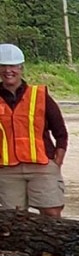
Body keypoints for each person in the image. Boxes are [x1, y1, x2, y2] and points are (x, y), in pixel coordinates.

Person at [0, 43, 68, 216]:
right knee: (12, 221)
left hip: (42, 165)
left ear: (21, 67)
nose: (8, 70)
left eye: (13, 66)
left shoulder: (39, 95)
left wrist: (57, 161)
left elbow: (60, 131)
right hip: (7, 169)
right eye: (3, 66)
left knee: (52, 213)